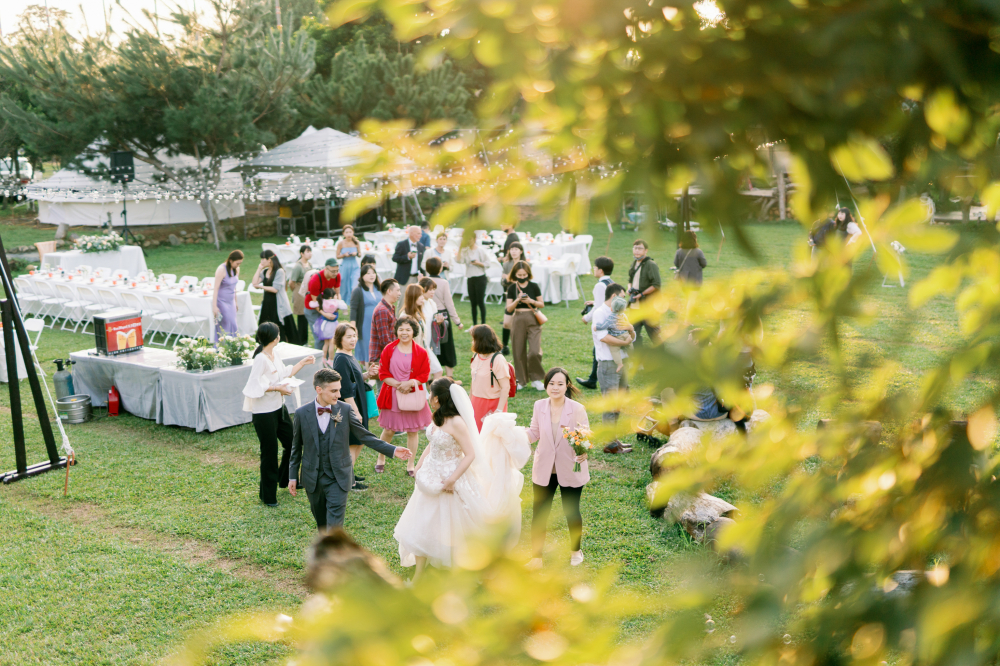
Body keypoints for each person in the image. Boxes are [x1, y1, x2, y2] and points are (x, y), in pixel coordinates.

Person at [289, 368, 413, 530]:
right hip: (313, 478)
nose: (338, 395)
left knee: (334, 528)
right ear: (319, 390)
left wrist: (392, 449)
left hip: (338, 476)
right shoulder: (301, 413)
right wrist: (293, 476)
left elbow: (365, 436)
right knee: (322, 525)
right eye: (334, 391)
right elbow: (296, 447)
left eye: (339, 390)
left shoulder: (345, 410)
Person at [242, 322, 315, 507]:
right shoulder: (260, 359)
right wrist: (276, 388)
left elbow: (284, 373)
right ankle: (268, 496)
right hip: (263, 413)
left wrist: (303, 362)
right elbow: (254, 384)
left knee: (292, 442)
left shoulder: (274, 354)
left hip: (278, 409)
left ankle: (285, 479)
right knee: (269, 452)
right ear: (275, 337)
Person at [523, 368, 590, 568]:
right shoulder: (539, 406)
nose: (555, 387)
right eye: (552, 383)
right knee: (539, 514)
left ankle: (575, 551)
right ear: (546, 385)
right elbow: (534, 432)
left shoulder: (577, 408)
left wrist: (584, 449)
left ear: (567, 385)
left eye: (560, 384)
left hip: (570, 466)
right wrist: (513, 435)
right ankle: (536, 558)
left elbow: (585, 434)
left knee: (571, 512)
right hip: (544, 468)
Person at [374, 316, 433, 475]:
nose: (404, 332)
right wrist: (400, 385)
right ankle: (381, 458)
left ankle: (411, 464)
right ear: (396, 331)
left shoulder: (421, 352)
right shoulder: (389, 349)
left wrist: (411, 383)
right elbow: (383, 372)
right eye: (401, 329)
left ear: (414, 331)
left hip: (413, 396)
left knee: (413, 431)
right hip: (393, 395)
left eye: (408, 329)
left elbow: (425, 374)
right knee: (389, 430)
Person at [592, 284, 635, 454]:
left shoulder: (620, 312)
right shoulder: (599, 313)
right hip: (609, 364)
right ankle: (609, 444)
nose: (624, 299)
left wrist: (630, 330)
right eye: (622, 296)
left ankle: (614, 439)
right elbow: (604, 337)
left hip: (622, 362)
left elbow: (633, 334)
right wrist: (625, 342)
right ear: (615, 295)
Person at [332, 322, 373, 492]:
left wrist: (367, 375)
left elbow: (353, 378)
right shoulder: (341, 359)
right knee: (352, 444)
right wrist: (355, 412)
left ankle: (350, 474)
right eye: (348, 336)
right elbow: (346, 390)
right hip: (351, 405)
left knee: (360, 441)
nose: (353, 339)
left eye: (354, 336)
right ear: (339, 339)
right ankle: (348, 481)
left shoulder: (348, 355)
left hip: (358, 403)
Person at [505, 261, 545, 391]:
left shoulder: (534, 286)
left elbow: (541, 304)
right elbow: (509, 309)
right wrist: (517, 299)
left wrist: (530, 301)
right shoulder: (512, 288)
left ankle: (536, 378)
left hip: (533, 318)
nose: (522, 277)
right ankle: (521, 380)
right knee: (518, 350)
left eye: (524, 274)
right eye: (519, 274)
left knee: (534, 351)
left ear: (528, 273)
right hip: (518, 319)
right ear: (515, 274)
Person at [577, 256, 614, 389]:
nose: (594, 269)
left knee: (600, 352)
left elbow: (599, 307)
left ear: (601, 271)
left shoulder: (599, 285)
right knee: (598, 351)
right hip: (611, 321)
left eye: (595, 267)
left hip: (602, 323)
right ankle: (593, 379)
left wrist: (586, 318)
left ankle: (596, 380)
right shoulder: (610, 282)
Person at [424, 257, 464, 382]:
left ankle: (430, 376)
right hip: (442, 315)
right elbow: (449, 304)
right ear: (441, 268)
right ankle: (449, 377)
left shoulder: (423, 281)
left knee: (430, 344)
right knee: (447, 346)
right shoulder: (444, 282)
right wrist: (457, 321)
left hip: (428, 315)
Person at [469, 325, 510, 430]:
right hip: (476, 402)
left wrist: (499, 410)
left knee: (490, 437)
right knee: (476, 434)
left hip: (492, 403)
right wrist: (470, 401)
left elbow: (505, 387)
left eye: (474, 339)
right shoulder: (475, 356)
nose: (472, 342)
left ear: (481, 341)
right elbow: (474, 382)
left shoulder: (498, 360)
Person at [402, 283, 444, 380]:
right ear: (413, 297)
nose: (422, 298)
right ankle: (431, 394)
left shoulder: (418, 312)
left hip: (423, 349)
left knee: (435, 371)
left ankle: (431, 394)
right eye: (420, 295)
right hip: (414, 353)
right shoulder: (405, 316)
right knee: (428, 374)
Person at [253, 250, 295, 342]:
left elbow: (275, 289)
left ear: (270, 259)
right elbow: (254, 283)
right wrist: (259, 268)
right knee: (264, 323)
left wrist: (261, 286)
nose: (262, 261)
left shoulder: (279, 271)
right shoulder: (265, 272)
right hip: (267, 303)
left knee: (278, 325)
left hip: (277, 304)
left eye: (263, 259)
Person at [627, 239, 661, 345]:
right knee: (633, 333)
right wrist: (629, 288)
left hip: (647, 305)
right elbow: (630, 280)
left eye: (640, 248)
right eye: (635, 248)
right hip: (635, 305)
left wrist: (641, 294)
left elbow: (656, 285)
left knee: (654, 333)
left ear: (646, 250)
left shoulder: (651, 264)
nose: (637, 251)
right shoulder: (634, 263)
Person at [305, 259, 342, 350]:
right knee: (320, 336)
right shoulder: (315, 280)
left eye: (337, 271)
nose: (335, 273)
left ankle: (328, 358)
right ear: (326, 269)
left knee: (329, 335)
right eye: (333, 271)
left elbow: (337, 293)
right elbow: (315, 302)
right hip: (313, 309)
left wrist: (337, 305)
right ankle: (320, 360)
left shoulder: (337, 276)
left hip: (327, 306)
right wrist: (325, 314)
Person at [350, 264, 381, 368]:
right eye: (368, 273)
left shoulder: (379, 289)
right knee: (368, 347)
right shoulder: (358, 290)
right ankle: (370, 372)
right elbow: (353, 309)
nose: (372, 275)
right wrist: (353, 327)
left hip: (379, 324)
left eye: (373, 273)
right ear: (362, 276)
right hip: (365, 324)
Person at [500, 241, 527, 354]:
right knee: (507, 322)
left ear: (521, 251)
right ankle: (505, 346)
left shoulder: (526, 264)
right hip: (510, 296)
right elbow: (503, 281)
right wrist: (508, 279)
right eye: (512, 249)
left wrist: (510, 278)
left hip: (523, 296)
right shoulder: (506, 264)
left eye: (516, 249)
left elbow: (526, 281)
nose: (514, 251)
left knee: (519, 323)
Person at [368, 278, 400, 368]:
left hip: (389, 356)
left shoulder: (389, 308)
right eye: (397, 290)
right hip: (382, 358)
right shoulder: (382, 310)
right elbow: (385, 340)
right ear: (389, 291)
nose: (400, 293)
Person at [212, 249, 243, 340]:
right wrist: (214, 306)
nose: (238, 265)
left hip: (231, 301)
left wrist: (236, 301)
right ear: (230, 260)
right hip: (222, 301)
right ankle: (222, 346)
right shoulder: (221, 269)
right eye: (237, 263)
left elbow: (234, 287)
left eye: (240, 263)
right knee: (225, 324)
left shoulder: (236, 269)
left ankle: (233, 344)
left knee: (233, 323)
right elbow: (216, 289)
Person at [461, 235, 491, 327]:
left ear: (474, 239)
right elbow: (459, 260)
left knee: (480, 301)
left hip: (480, 278)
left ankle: (483, 324)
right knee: (473, 302)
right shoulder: (465, 251)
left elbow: (488, 263)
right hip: (470, 278)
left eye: (470, 239)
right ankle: (474, 325)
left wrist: (479, 263)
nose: (468, 241)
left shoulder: (480, 250)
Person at [286, 245, 313, 345]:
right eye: (307, 251)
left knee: (306, 318)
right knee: (301, 318)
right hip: (299, 292)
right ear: (302, 253)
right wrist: (296, 291)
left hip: (306, 292)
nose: (310, 253)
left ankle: (304, 340)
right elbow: (291, 282)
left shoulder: (309, 264)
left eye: (310, 251)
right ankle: (301, 341)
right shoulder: (298, 266)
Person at [312, 289, 346, 366]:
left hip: (325, 325)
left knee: (326, 344)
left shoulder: (322, 302)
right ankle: (331, 360)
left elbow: (312, 304)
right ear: (331, 296)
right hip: (332, 326)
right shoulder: (334, 303)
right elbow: (344, 306)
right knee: (332, 344)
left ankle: (323, 358)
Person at [335, 225, 362, 298]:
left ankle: (354, 298)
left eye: (350, 232)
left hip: (354, 265)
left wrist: (356, 254)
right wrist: (344, 255)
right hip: (345, 265)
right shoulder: (341, 243)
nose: (349, 234)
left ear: (353, 232)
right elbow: (337, 256)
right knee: (343, 283)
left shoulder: (356, 242)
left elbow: (360, 254)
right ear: (343, 233)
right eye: (347, 232)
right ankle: (342, 299)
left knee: (354, 283)